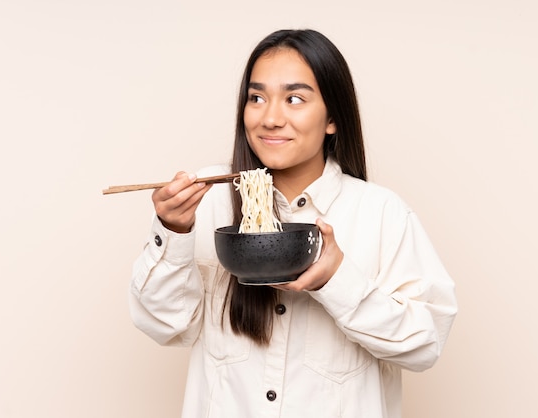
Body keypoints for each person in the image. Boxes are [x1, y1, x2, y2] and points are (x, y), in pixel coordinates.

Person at [129, 29, 457, 418]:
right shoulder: (211, 199)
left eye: (295, 99)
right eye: (257, 98)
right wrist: (174, 231)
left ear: (333, 117)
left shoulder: (380, 213)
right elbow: (165, 325)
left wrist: (337, 281)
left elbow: (425, 345)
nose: (270, 118)